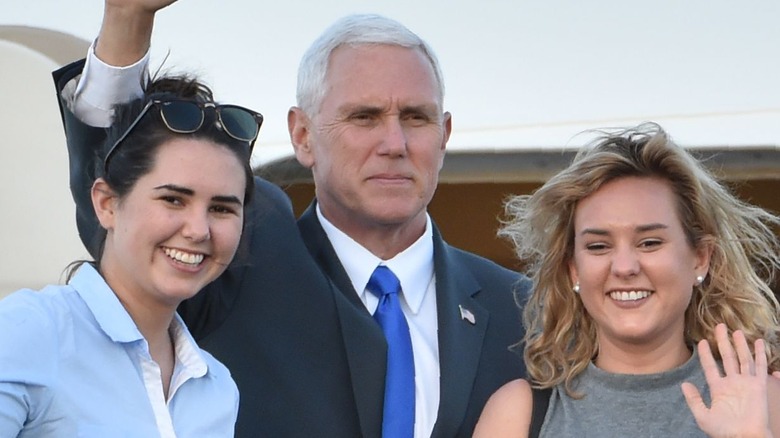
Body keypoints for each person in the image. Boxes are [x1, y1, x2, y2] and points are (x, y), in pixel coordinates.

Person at [54, 1, 530, 437]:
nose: (394, 143)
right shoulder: (242, 255)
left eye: (415, 117)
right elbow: (126, 198)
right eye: (364, 117)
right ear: (302, 136)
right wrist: (128, 17)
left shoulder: (525, 309)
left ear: (444, 134)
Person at [473, 123, 780, 437]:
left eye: (649, 242)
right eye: (598, 246)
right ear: (573, 270)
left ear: (700, 257)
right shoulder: (518, 414)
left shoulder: (764, 401)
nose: (623, 267)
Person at [0, 74, 262, 436]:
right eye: (173, 199)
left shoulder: (216, 386)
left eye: (221, 209)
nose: (198, 230)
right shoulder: (29, 332)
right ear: (107, 204)